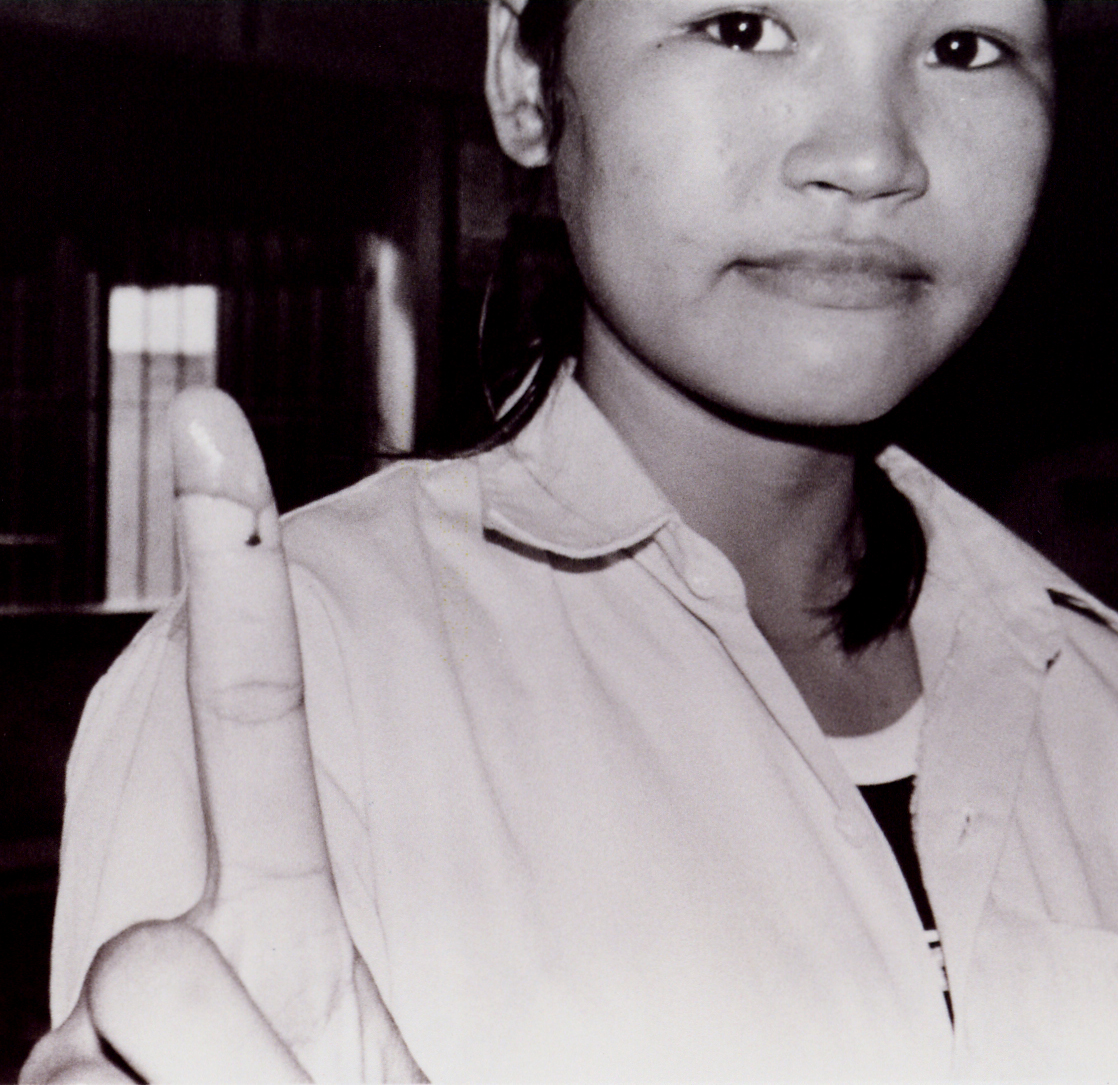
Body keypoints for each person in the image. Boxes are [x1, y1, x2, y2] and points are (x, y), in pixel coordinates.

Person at [22, 0, 1118, 1079]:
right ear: (521, 77)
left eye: (962, 46)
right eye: (741, 27)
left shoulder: (1089, 681)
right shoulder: (297, 691)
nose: (872, 155)